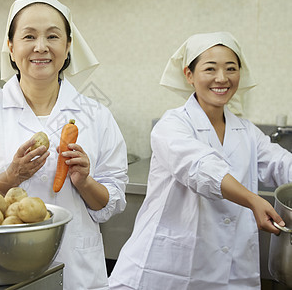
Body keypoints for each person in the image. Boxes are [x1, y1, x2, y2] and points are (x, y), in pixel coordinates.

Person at [0, 0, 128, 290]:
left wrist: (84, 182)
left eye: (52, 36)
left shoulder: (96, 115)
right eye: (29, 36)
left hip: (76, 271)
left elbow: (111, 202)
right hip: (1, 266)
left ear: (67, 47)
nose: (41, 46)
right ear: (12, 48)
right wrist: (10, 177)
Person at [109, 31, 292, 290]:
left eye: (231, 68)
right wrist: (252, 199)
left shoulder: (246, 131)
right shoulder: (171, 125)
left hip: (232, 273)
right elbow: (201, 168)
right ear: (189, 75)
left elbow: (282, 163)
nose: (222, 78)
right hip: (167, 271)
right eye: (210, 68)